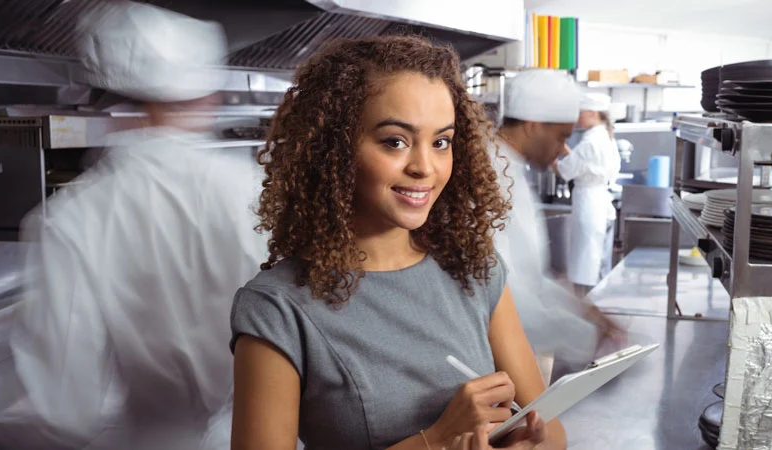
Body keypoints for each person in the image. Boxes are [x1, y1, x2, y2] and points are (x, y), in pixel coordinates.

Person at [230, 36, 566, 450]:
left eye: (441, 142)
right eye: (395, 141)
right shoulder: (278, 309)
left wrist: (524, 445)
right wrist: (436, 439)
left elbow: (550, 431)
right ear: (332, 149)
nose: (425, 167)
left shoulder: (476, 270)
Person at [10, 2, 266, 448]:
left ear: (105, 100)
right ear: (206, 96)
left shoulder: (71, 219)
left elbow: (63, 407)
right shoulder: (257, 193)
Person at [491, 70, 614, 371]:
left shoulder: (509, 167)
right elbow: (501, 296)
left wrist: (582, 312)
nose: (562, 149)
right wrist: (588, 336)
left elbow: (526, 278)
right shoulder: (491, 177)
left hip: (512, 348)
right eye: (561, 137)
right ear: (533, 127)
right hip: (493, 355)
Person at [556, 93, 622, 294]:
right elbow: (581, 163)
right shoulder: (604, 136)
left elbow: (564, 170)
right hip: (601, 203)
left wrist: (546, 152)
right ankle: (594, 303)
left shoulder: (590, 143)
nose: (578, 118)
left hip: (589, 205)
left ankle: (585, 305)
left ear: (593, 113)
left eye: (581, 113)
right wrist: (564, 150)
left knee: (586, 262)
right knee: (596, 260)